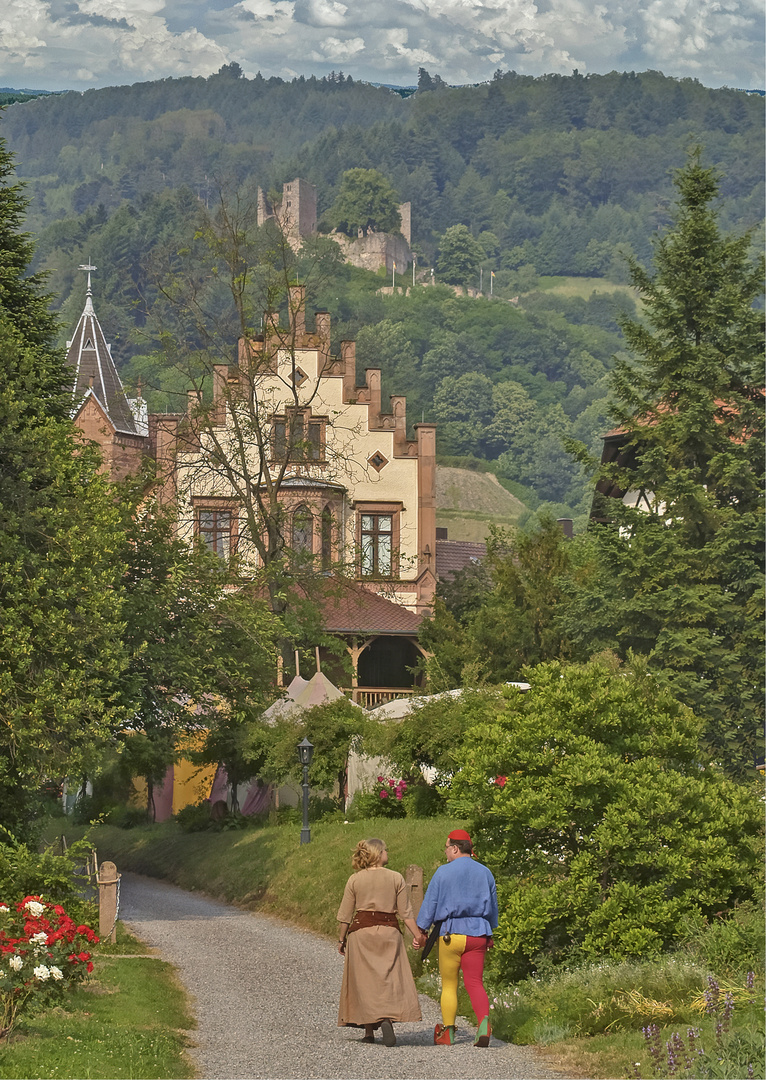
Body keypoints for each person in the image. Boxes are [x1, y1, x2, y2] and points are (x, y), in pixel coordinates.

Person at [413, 828, 498, 1047]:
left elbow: (430, 904)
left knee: (450, 984)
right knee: (475, 982)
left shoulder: (443, 872)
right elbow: (492, 909)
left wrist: (421, 931)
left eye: (446, 848)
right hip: (478, 934)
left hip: (450, 934)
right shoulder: (485, 873)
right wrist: (490, 932)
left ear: (455, 848)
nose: (445, 853)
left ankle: (448, 1033)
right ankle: (484, 1025)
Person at [336, 838, 422, 1046]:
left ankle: (368, 1032)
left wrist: (341, 939)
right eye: (385, 850)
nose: (387, 852)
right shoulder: (396, 878)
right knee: (389, 977)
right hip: (389, 931)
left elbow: (345, 915)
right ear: (378, 854)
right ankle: (387, 1018)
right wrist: (417, 936)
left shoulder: (355, 880)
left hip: (361, 933)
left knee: (365, 981)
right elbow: (406, 912)